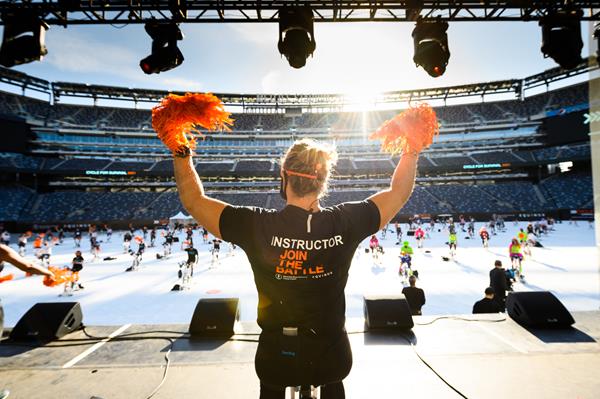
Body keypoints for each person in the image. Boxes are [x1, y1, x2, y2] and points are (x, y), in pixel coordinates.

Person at [170, 136, 421, 398]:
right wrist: (412, 149)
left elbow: (194, 201)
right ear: (323, 182)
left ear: (283, 176)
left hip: (277, 357)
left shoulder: (256, 225)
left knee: (273, 383)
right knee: (332, 381)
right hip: (332, 354)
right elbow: (398, 193)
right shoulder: (346, 221)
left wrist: (181, 151)